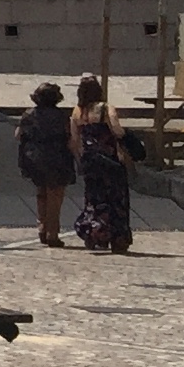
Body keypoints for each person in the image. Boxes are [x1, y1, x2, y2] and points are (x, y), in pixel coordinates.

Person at [72, 73, 132, 254]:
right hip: (109, 159)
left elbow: (75, 140)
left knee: (94, 199)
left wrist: (81, 160)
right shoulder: (106, 109)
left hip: (90, 161)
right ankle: (118, 238)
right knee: (116, 199)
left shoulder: (77, 112)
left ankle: (95, 233)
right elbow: (117, 130)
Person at [16, 82, 75, 246]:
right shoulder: (61, 116)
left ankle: (42, 226)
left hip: (34, 158)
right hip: (57, 158)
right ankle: (52, 233)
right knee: (55, 195)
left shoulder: (29, 114)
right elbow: (70, 137)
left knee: (41, 193)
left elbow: (18, 135)